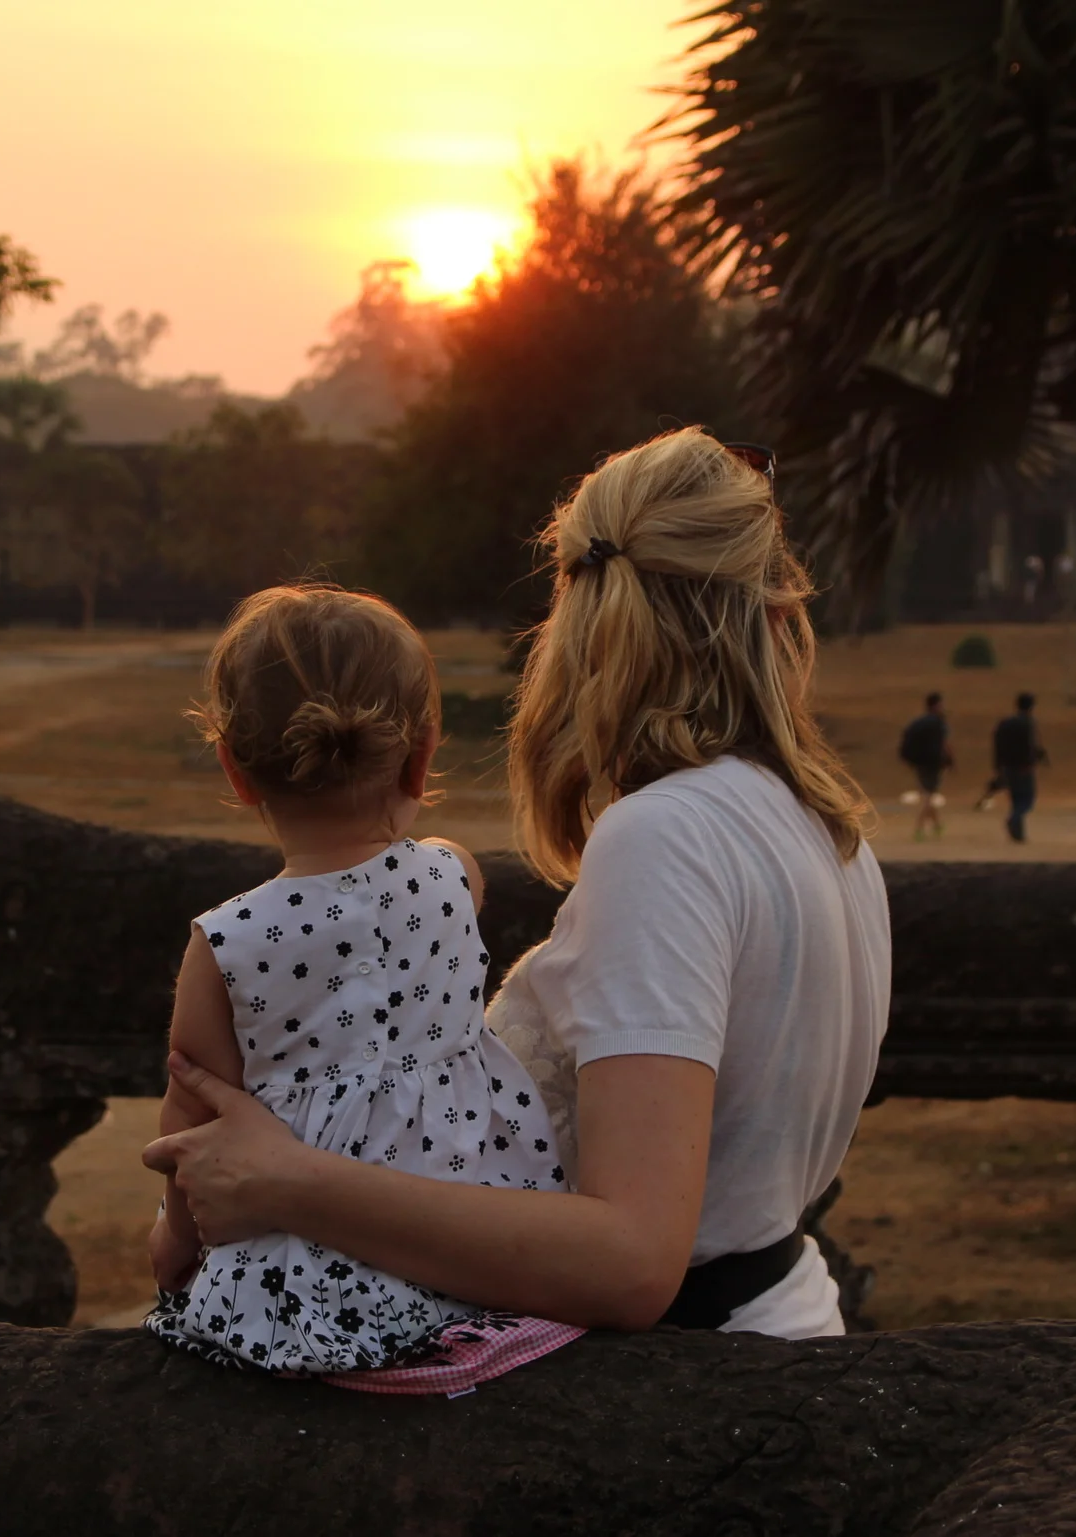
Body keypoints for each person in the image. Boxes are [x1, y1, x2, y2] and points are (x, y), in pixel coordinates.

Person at [146, 426, 888, 1348]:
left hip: (683, 1377)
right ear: (776, 605)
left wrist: (287, 1182)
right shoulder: (826, 824)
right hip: (783, 1317)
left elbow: (633, 1260)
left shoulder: (667, 837)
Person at [145, 584, 574, 1385]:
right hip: (467, 1239)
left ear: (234, 770)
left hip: (311, 1274)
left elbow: (192, 1110)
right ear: (421, 753)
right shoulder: (454, 875)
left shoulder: (226, 941)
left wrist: (177, 1235)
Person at [897, 692, 953, 840]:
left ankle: (937, 825)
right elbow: (945, 744)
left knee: (928, 793)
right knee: (929, 796)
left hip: (919, 763)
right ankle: (919, 828)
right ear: (936, 705)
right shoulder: (939, 723)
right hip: (934, 763)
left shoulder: (918, 723)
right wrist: (950, 761)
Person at [992, 693, 1047, 843]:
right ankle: (1014, 820)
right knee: (1027, 800)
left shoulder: (1005, 723)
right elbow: (1031, 746)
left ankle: (1018, 833)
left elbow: (997, 745)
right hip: (1024, 766)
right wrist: (1034, 760)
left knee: (1016, 799)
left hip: (1008, 766)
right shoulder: (1029, 723)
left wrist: (998, 766)